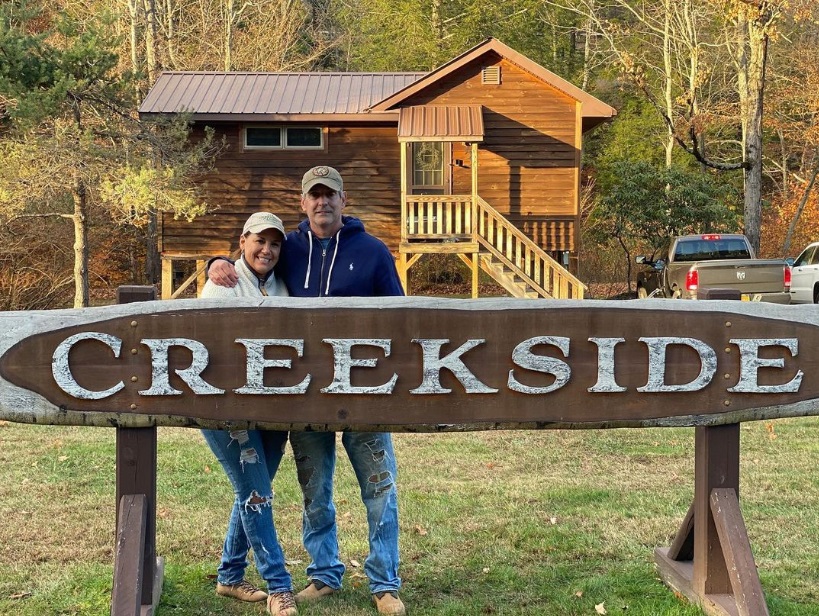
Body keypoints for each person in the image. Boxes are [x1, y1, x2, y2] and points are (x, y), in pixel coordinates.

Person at [208, 166, 406, 616]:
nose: (323, 203)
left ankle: (385, 583)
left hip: (365, 395)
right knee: (315, 490)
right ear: (302, 203)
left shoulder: (373, 252)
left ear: (343, 199)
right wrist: (214, 262)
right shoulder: (290, 248)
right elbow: (250, 259)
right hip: (306, 397)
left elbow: (399, 316)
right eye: (314, 196)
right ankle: (324, 573)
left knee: (379, 488)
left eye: (330, 195)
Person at [200, 211, 298, 616]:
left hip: (274, 410)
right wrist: (213, 262)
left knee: (252, 491)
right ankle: (279, 586)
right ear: (243, 241)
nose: (267, 250)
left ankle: (229, 576)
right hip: (226, 411)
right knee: (256, 492)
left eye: (275, 243)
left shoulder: (284, 285)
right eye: (260, 241)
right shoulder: (221, 283)